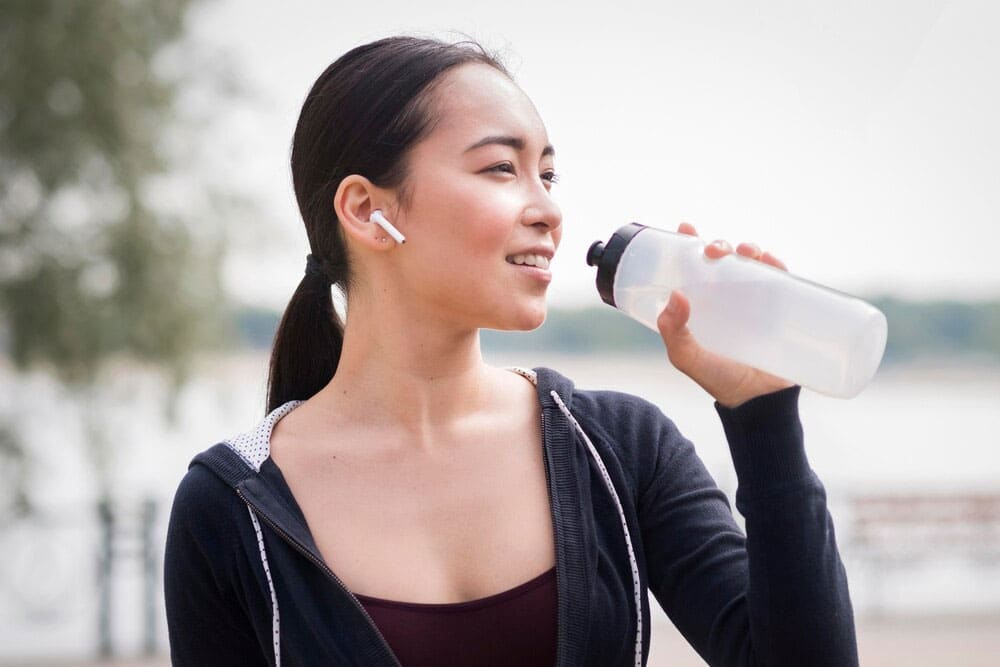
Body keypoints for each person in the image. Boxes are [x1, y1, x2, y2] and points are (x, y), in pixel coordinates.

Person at [164, 36, 859, 666]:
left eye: (547, 176)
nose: (549, 210)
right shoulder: (233, 508)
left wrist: (762, 412)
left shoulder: (618, 448)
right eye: (502, 168)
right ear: (365, 211)